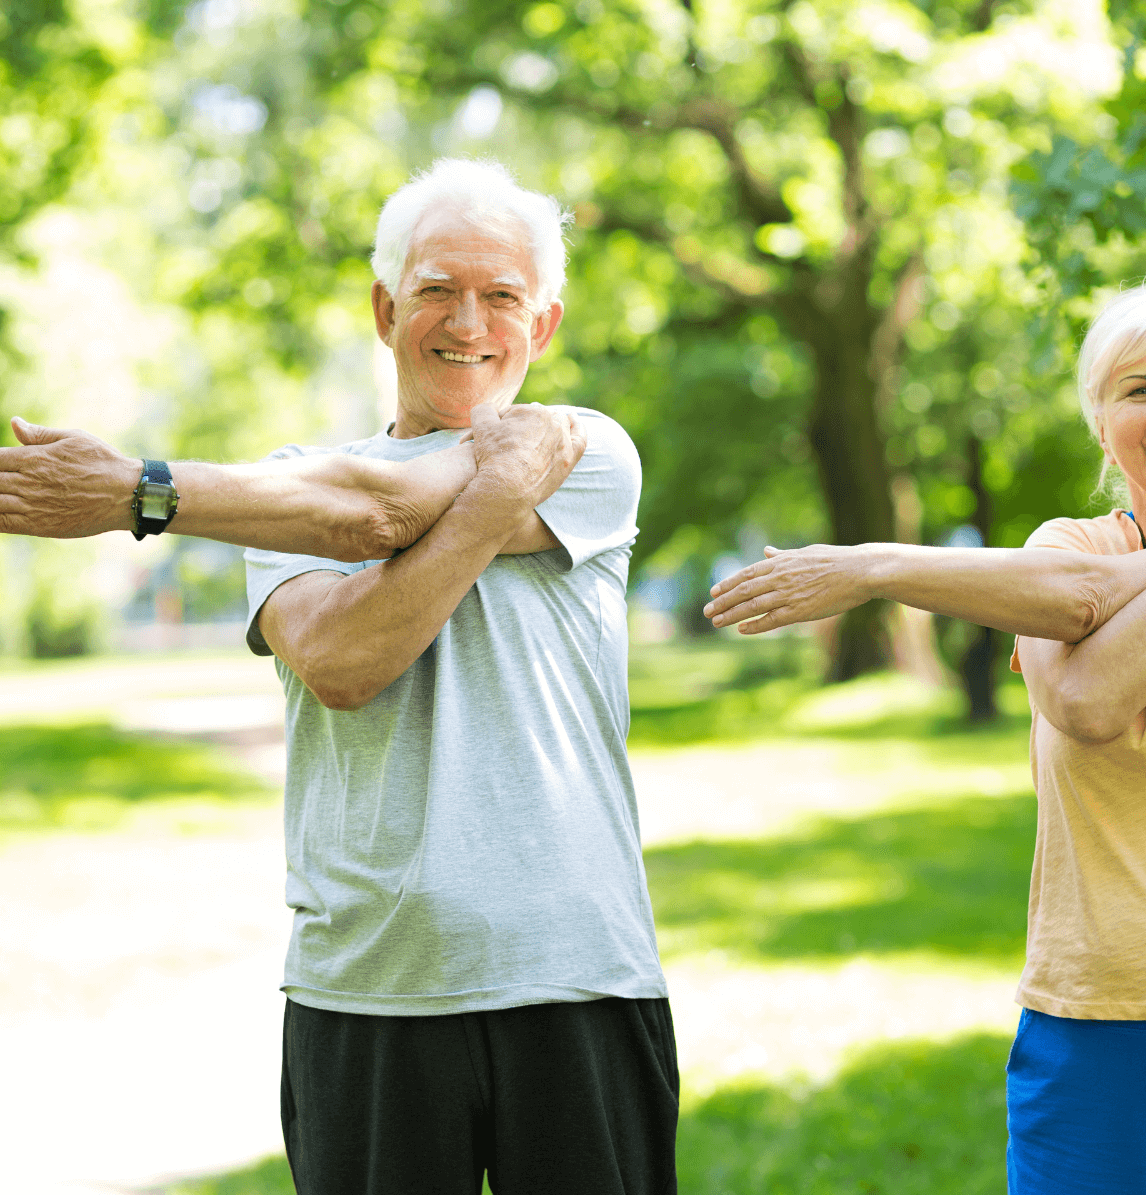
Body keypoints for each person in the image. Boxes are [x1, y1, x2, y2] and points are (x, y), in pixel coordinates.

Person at [0, 157, 678, 1195]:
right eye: (436, 290)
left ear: (542, 326)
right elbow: (345, 658)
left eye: (503, 296)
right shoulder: (288, 486)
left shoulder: (587, 452)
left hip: (578, 976)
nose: (470, 322)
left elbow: (380, 515)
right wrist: (491, 498)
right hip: (367, 992)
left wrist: (142, 492)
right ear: (382, 306)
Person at [706, 280, 1146, 1193]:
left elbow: (1085, 606)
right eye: (1138, 389)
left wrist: (884, 569)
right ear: (1102, 424)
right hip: (1091, 1027)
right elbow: (1091, 700)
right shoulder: (1064, 546)